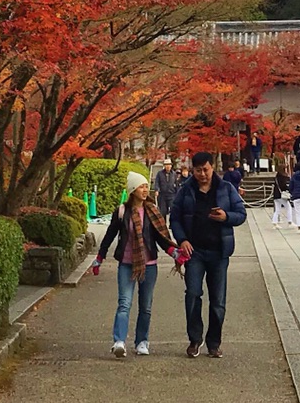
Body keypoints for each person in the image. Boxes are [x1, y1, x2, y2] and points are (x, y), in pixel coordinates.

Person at [168, 151, 246, 358]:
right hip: (194, 251)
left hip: (219, 252)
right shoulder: (185, 191)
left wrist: (226, 216)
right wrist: (182, 239)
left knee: (218, 300)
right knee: (193, 294)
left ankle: (214, 342)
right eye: (198, 170)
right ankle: (195, 339)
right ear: (192, 170)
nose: (202, 174)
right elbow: (174, 218)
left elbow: (241, 214)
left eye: (206, 170)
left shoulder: (226, 189)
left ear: (213, 168)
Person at [94, 173, 175, 357]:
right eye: (141, 186)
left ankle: (142, 341)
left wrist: (174, 252)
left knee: (145, 306)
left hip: (149, 264)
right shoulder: (122, 212)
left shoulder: (152, 211)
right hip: (126, 263)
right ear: (132, 190)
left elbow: (161, 238)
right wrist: (100, 256)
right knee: (124, 303)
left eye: (147, 186)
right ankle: (119, 341)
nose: (145, 190)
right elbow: (109, 235)